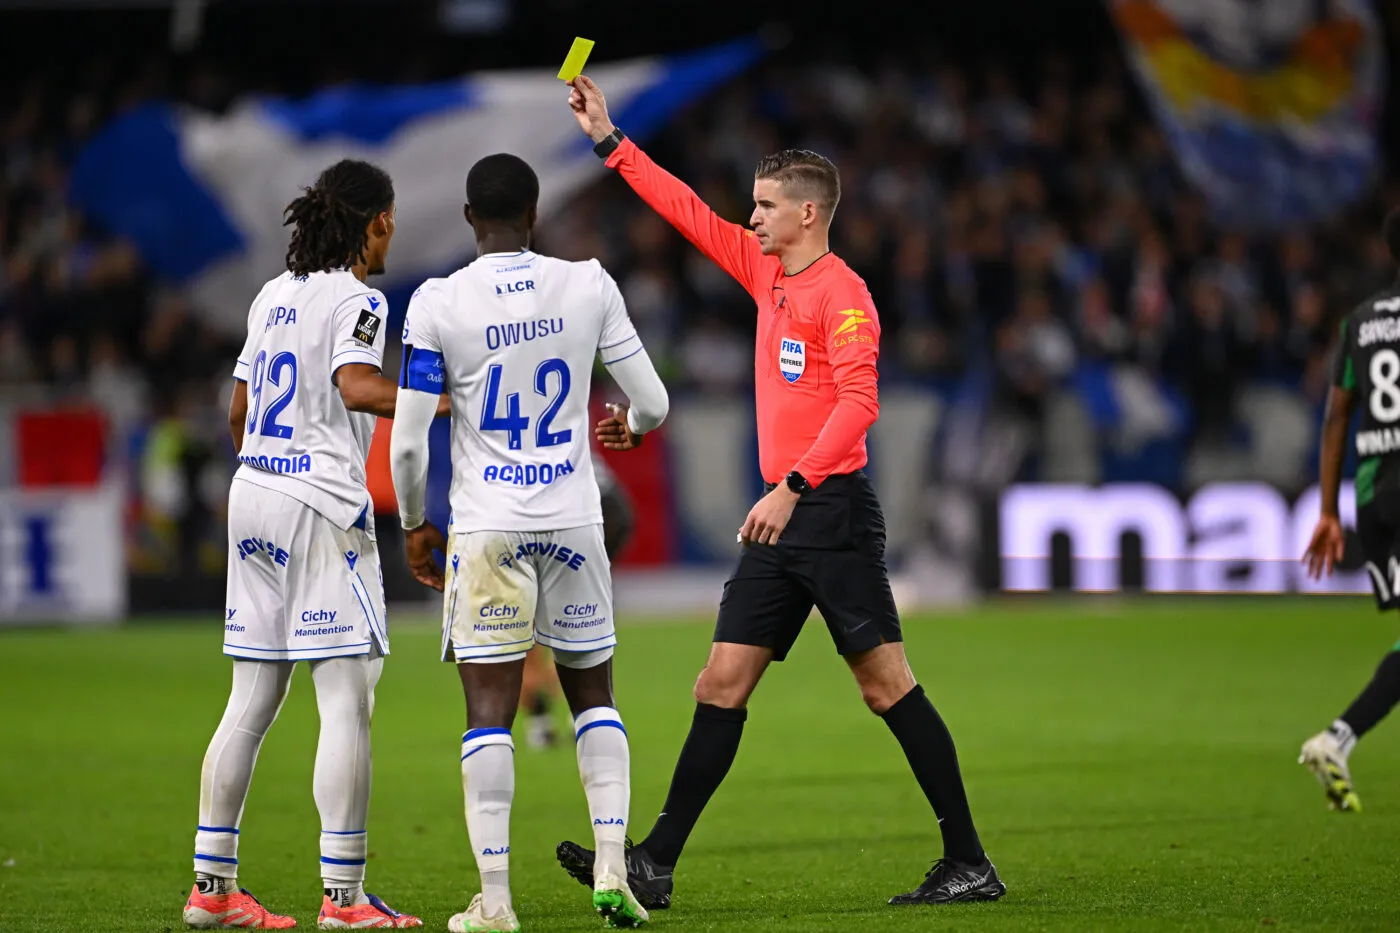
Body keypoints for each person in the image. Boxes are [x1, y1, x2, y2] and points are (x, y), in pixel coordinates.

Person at [554, 75, 1005, 908]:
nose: (751, 216)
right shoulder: (769, 279)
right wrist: (609, 141)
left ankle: (969, 860)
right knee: (719, 682)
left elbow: (859, 403)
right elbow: (686, 211)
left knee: (886, 686)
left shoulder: (844, 296)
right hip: (781, 516)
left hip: (827, 513)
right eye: (753, 203)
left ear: (807, 214)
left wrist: (792, 485)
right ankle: (654, 862)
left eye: (764, 205)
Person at [389, 153, 670, 932]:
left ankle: (498, 900)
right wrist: (631, 427)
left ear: (471, 218)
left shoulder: (436, 301)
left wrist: (415, 523)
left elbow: (410, 444)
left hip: (488, 526)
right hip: (574, 517)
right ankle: (614, 868)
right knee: (594, 696)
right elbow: (651, 399)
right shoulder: (588, 283)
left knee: (489, 709)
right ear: (535, 211)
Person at [184, 159, 439, 930]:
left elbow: (237, 411)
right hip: (319, 506)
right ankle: (345, 898)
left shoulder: (273, 295)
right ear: (379, 223)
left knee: (252, 697)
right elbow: (359, 385)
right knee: (347, 699)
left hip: (254, 491)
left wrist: (272, 462)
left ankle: (213, 887)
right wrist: (444, 399)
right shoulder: (358, 299)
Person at [1300, 207, 1400, 814]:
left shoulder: (1360, 323)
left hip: (1377, 497)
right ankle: (1336, 738)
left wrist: (1330, 511)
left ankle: (1335, 740)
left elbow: (1338, 413)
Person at [521, 458, 636, 750]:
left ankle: (542, 723)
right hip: (605, 512)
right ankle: (583, 714)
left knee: (524, 629)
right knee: (576, 629)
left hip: (566, 512)